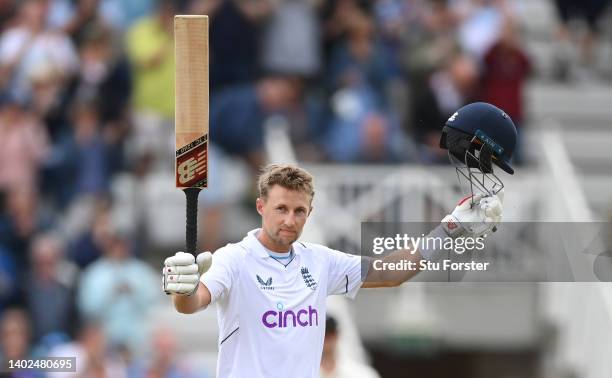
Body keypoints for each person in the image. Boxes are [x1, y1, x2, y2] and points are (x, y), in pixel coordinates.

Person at [162, 103, 513, 377]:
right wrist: (183, 288)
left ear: (309, 213)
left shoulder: (319, 262)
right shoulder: (233, 259)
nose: (289, 220)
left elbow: (392, 272)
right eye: (281, 208)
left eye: (299, 211)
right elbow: (192, 303)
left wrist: (449, 228)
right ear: (260, 206)